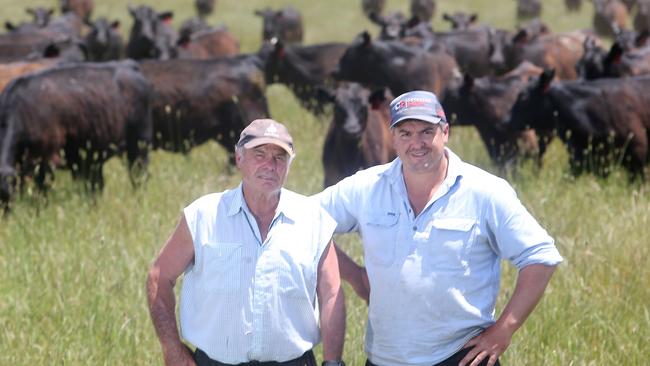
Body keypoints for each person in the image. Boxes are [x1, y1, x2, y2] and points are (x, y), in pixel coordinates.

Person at [315, 90, 563, 366]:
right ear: (393, 138)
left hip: (461, 356)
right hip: (386, 358)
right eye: (405, 133)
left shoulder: (485, 191)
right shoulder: (366, 187)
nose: (416, 143)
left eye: (426, 131)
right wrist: (354, 274)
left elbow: (541, 256)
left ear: (445, 132)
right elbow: (304, 221)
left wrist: (504, 330)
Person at [147, 119, 346, 366]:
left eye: (279, 158)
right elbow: (159, 277)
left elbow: (332, 294)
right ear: (239, 158)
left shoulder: (313, 219)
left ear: (289, 165)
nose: (270, 165)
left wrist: (333, 362)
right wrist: (172, 349)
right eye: (259, 154)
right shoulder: (203, 216)